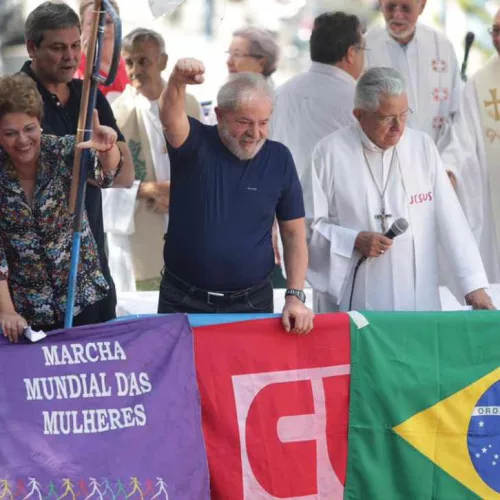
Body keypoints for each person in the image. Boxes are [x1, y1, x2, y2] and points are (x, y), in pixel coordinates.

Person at [304, 67, 493, 312]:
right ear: (359, 114)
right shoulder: (328, 153)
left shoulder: (421, 147)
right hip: (357, 299)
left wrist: (473, 287)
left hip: (417, 299)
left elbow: (451, 220)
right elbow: (305, 228)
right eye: (386, 118)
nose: (398, 127)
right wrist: (352, 240)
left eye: (403, 115)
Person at [158, 58, 314, 334]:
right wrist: (177, 81)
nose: (255, 133)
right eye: (244, 122)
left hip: (252, 302)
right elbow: (170, 116)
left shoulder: (279, 158)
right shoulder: (194, 143)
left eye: (264, 122)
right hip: (183, 299)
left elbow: (294, 234)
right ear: (219, 115)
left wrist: (295, 296)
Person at [20, 1, 134, 323]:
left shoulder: (90, 94)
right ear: (32, 47)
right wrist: (84, 162)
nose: (70, 56)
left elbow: (125, 175)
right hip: (34, 281)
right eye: (57, 48)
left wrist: (105, 152)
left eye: (75, 45)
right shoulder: (12, 98)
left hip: (93, 268)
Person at [0, 74, 123, 343]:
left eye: (29, 128)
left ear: (40, 123)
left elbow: (107, 176)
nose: (22, 140)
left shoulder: (64, 151)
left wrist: (107, 149)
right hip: (29, 316)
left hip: (86, 301)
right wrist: (7, 312)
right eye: (10, 133)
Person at [106, 28, 201, 291]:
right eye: (129, 62)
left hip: (186, 229)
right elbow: (100, 185)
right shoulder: (114, 114)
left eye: (143, 61)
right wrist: (149, 190)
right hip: (139, 236)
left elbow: (205, 166)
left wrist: (184, 192)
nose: (135, 69)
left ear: (163, 62)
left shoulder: (190, 106)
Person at [364, 0, 464, 188]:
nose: (397, 15)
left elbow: (458, 115)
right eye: (390, 7)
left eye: (406, 8)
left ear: (422, 6)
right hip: (383, 173)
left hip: (437, 168)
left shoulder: (441, 46)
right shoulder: (366, 46)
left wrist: (450, 165)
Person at [270, 12, 364, 180]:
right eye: (363, 49)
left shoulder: (281, 92)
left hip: (284, 200)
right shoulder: (361, 100)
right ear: (351, 53)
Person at [458, 8, 500, 284]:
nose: (498, 38)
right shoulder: (480, 83)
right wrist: (451, 171)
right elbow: (463, 142)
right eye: (495, 30)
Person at [75, 0, 130, 103]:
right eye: (94, 23)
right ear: (81, 27)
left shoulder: (130, 63)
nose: (103, 29)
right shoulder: (74, 67)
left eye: (108, 22)